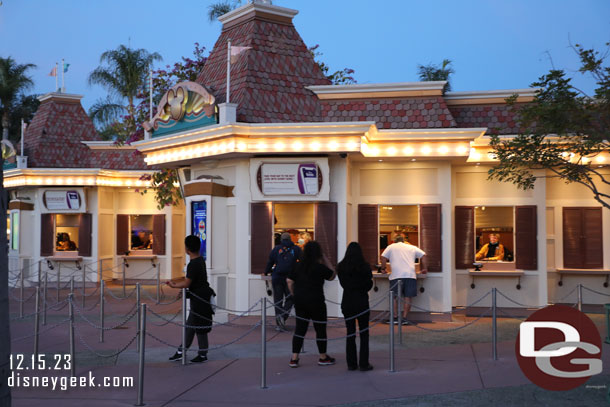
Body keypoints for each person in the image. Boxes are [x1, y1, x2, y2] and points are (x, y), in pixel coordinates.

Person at [287, 241, 336, 368]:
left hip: (300, 301)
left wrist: (293, 294)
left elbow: (289, 281)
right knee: (320, 329)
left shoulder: (298, 266)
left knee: (300, 329)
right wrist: (325, 257)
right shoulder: (319, 267)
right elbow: (332, 275)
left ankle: (294, 358)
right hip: (316, 300)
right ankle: (323, 356)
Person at [167, 235, 215, 363]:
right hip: (201, 297)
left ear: (187, 248)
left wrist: (174, 285)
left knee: (199, 327)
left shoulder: (193, 264)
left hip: (199, 300)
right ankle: (182, 351)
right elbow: (197, 282)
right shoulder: (200, 260)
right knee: (191, 326)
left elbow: (187, 283)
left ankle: (201, 354)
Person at [337, 242, 374, 371]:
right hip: (362, 301)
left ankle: (351, 363)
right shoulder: (364, 266)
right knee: (364, 333)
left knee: (350, 333)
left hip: (347, 301)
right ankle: (364, 363)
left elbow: (343, 285)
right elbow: (369, 284)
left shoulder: (341, 267)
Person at [380, 235, 425, 325]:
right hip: (410, 275)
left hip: (396, 275)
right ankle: (404, 318)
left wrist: (383, 268)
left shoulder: (391, 247)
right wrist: (424, 268)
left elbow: (383, 257)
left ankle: (395, 317)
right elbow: (424, 255)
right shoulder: (412, 247)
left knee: (394, 297)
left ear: (394, 241)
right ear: (404, 241)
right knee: (408, 297)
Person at [264, 232, 302, 331]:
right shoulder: (296, 249)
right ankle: (283, 316)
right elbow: (302, 261)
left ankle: (279, 324)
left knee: (278, 300)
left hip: (277, 277)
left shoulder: (276, 249)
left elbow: (270, 261)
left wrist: (266, 271)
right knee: (290, 298)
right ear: (290, 239)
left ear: (281, 240)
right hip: (290, 278)